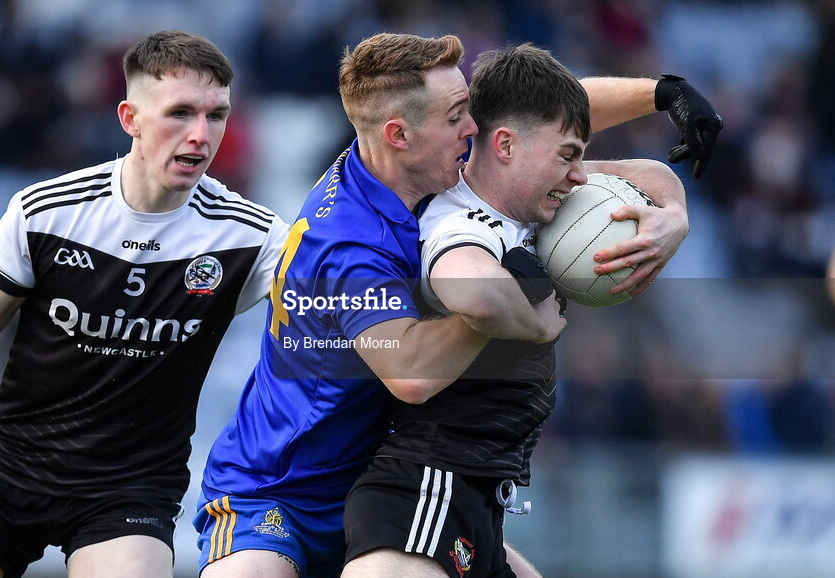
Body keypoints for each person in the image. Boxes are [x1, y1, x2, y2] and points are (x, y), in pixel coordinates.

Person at [195, 32, 720, 578]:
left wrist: (664, 97)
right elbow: (410, 373)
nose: (474, 128)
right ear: (400, 135)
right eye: (456, 118)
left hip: (379, 479)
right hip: (282, 489)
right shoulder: (350, 244)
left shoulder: (425, 161)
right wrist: (526, 315)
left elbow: (538, 119)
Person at [0, 30, 287, 578]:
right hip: (7, 472)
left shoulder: (252, 237)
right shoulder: (48, 212)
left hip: (129, 490)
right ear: (130, 118)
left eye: (216, 115)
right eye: (180, 113)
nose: (201, 135)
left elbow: (335, 313)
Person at [342, 43, 685, 578]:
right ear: (504, 145)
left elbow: (647, 174)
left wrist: (674, 218)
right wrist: (534, 318)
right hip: (424, 496)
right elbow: (471, 290)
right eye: (568, 156)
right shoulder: (462, 221)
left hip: (477, 502)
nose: (579, 175)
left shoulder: (527, 199)